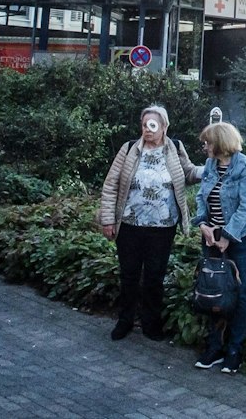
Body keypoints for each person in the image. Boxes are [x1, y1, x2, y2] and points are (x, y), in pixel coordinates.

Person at [98, 105, 196, 341]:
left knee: (154, 276)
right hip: (130, 225)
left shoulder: (175, 148)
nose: (147, 130)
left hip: (162, 228)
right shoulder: (129, 149)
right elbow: (110, 185)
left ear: (164, 127)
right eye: (144, 125)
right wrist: (107, 220)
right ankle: (125, 321)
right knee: (129, 274)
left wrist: (215, 165)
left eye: (152, 125)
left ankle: (151, 323)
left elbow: (189, 173)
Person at [192, 120, 246, 374]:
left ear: (220, 143)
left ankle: (234, 350)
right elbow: (201, 197)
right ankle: (215, 348)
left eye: (207, 143)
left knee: (239, 293)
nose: (205, 147)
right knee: (213, 291)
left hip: (240, 239)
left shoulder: (245, 166)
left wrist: (227, 236)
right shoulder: (210, 165)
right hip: (212, 236)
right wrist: (203, 225)